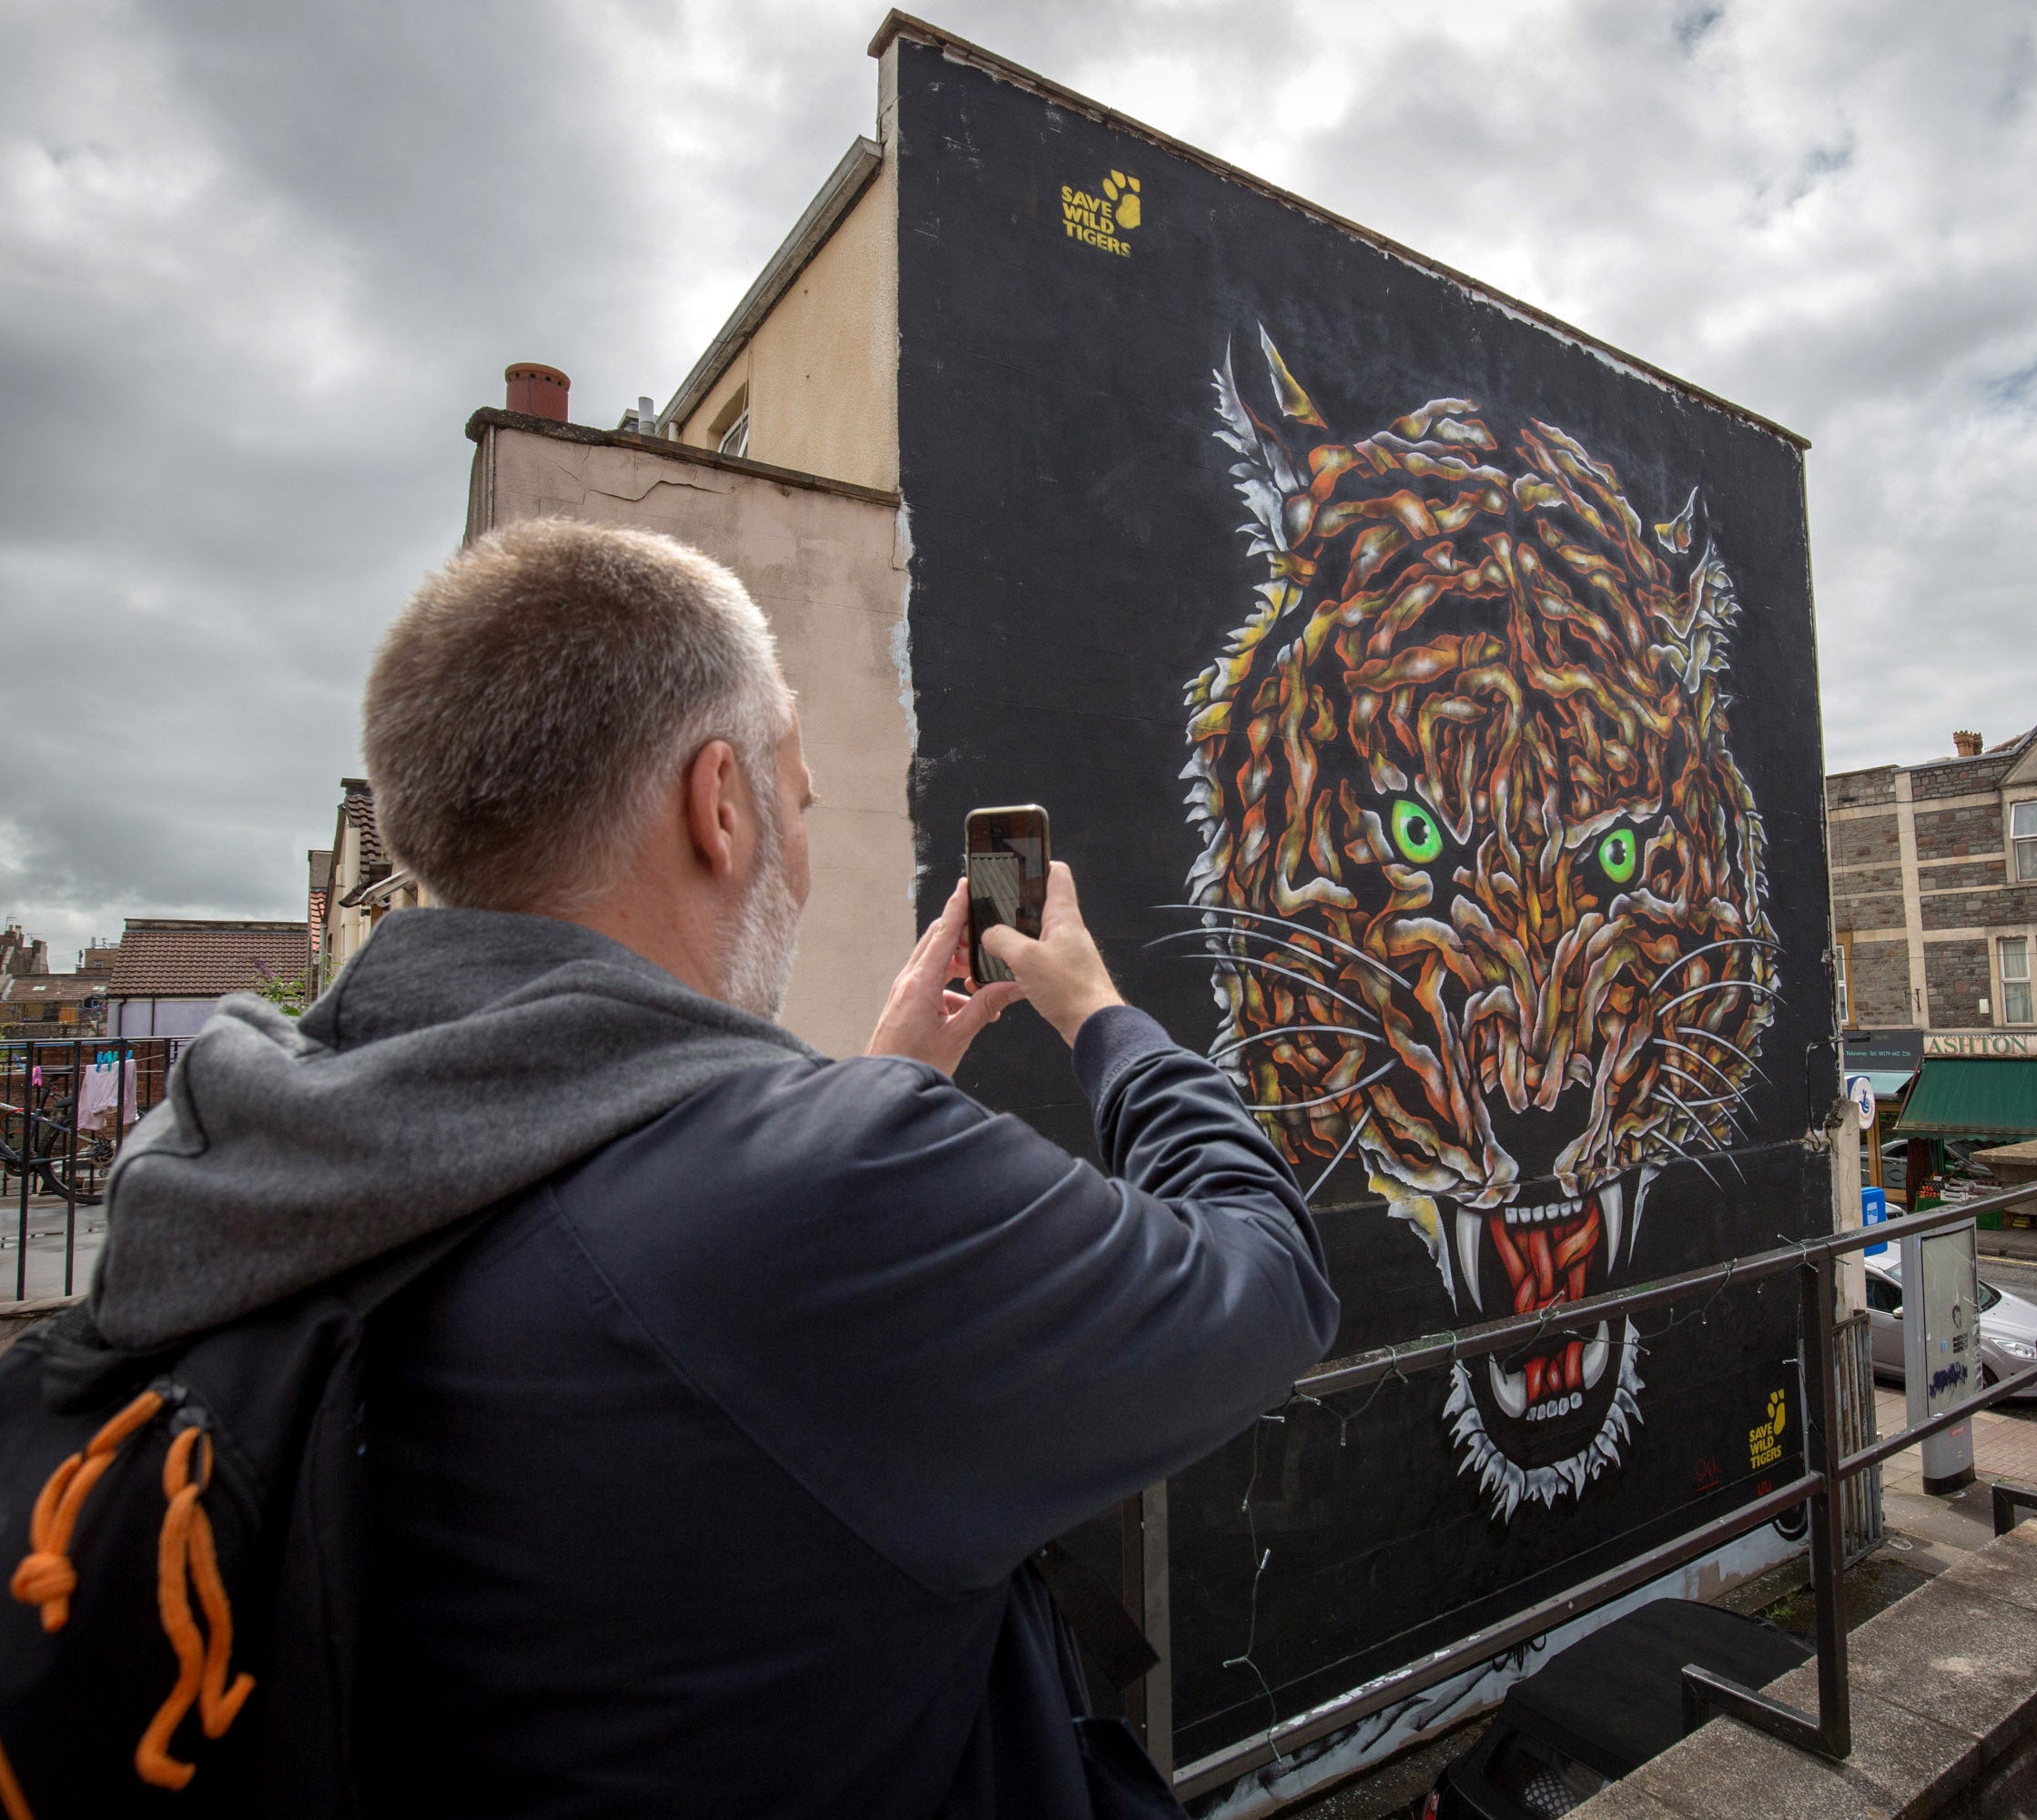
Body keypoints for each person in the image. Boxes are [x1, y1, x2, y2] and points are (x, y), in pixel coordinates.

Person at [87, 519, 1339, 1817]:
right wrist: (1098, 1015)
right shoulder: (827, 1199)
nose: (798, 854)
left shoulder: (240, 1157)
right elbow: (1266, 1282)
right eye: (797, 804)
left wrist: (870, 1086)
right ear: (720, 802)